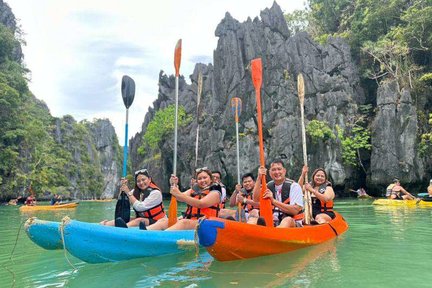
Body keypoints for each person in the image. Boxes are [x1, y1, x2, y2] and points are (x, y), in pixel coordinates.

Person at [144, 167, 221, 230]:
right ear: (197, 181)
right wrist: (174, 185)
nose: (202, 180)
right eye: (200, 179)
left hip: (206, 223)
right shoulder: (193, 190)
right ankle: (146, 232)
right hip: (192, 220)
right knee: (164, 220)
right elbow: (179, 198)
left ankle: (162, 236)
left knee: (183, 223)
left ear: (211, 179)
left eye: (205, 178)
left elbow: (201, 204)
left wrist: (179, 195)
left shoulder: (215, 192)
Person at [100, 169, 166, 228]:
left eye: (143, 180)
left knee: (139, 220)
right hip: (143, 219)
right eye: (138, 181)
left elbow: (140, 207)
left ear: (149, 179)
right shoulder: (135, 192)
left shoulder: (156, 193)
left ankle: (122, 229)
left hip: (158, 221)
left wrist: (128, 192)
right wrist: (123, 189)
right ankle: (105, 225)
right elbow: (123, 201)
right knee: (125, 219)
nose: (141, 183)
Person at [253, 159, 304, 228]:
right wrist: (259, 178)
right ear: (270, 173)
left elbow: (294, 210)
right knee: (254, 214)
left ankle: (272, 234)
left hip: (293, 223)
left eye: (279, 169)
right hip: (273, 222)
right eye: (273, 170)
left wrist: (273, 201)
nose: (277, 172)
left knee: (287, 220)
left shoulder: (294, 186)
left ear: (284, 171)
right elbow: (255, 199)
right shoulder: (268, 186)